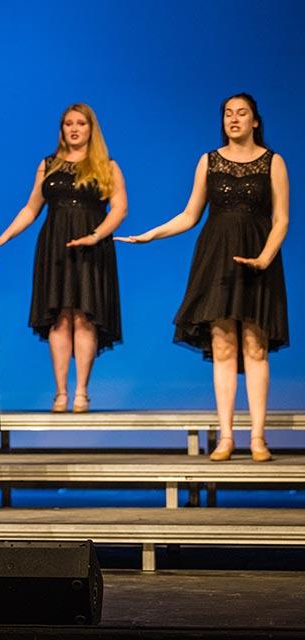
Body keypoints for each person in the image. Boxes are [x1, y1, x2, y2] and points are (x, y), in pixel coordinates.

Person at [117, 93, 289, 462]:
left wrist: (264, 258)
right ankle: (226, 436)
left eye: (242, 113)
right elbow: (189, 214)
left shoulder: (272, 161)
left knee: (255, 346)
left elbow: (282, 219)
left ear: (255, 121)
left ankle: (258, 437)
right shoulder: (208, 161)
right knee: (224, 345)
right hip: (217, 258)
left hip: (260, 258)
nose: (234, 119)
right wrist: (152, 234)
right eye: (228, 113)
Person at [0, 103, 127, 413]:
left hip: (92, 247)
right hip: (55, 246)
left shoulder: (107, 166)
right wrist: (5, 236)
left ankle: (81, 392)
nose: (74, 128)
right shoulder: (48, 164)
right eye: (68, 123)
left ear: (92, 128)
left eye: (81, 123)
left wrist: (95, 235)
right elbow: (30, 208)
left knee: (85, 315)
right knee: (59, 315)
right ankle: (61, 392)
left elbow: (120, 208)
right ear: (62, 129)